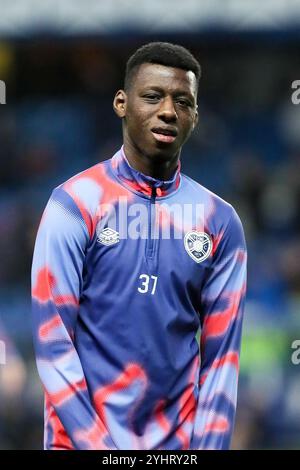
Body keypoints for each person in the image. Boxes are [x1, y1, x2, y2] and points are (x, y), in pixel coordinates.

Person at [31, 41, 247, 450]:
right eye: (152, 96)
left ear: (195, 116)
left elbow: (222, 362)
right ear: (121, 103)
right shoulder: (74, 204)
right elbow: (52, 344)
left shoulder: (220, 223)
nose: (168, 110)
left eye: (183, 101)